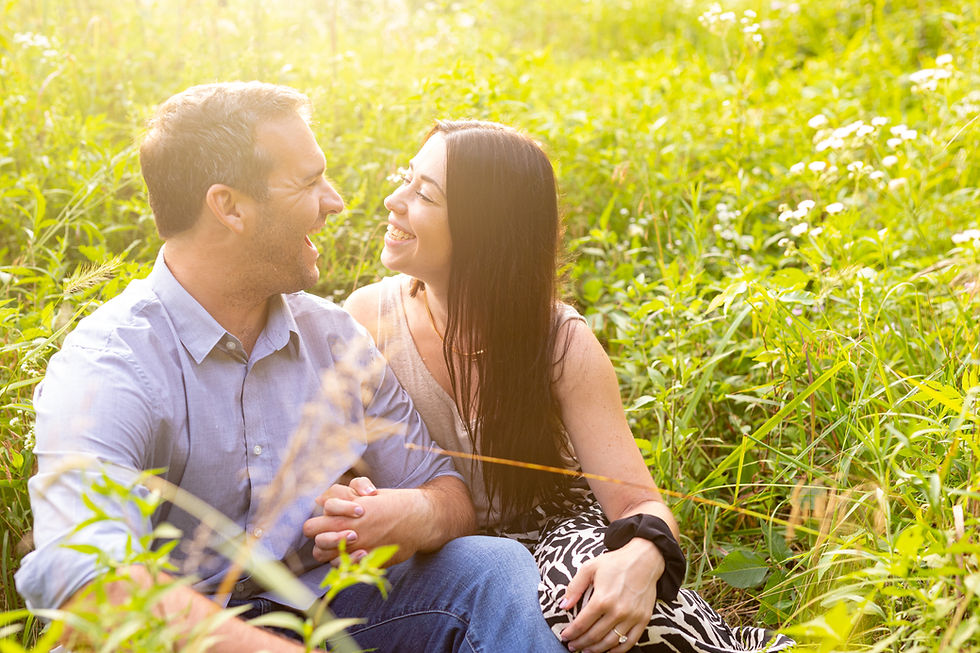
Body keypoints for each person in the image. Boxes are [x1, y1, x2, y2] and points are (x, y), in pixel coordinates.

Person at [15, 85, 569, 653]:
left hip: (326, 607)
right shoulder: (112, 365)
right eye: (308, 183)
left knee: (489, 567)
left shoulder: (333, 336)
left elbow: (447, 491)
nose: (335, 202)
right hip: (175, 637)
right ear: (229, 207)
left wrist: (411, 512)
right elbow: (87, 579)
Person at [322, 121, 797, 653]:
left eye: (424, 193)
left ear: (487, 228)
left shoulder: (558, 340)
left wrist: (641, 557)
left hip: (554, 534)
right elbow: (335, 476)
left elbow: (638, 500)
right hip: (436, 555)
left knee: (619, 612)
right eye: (406, 179)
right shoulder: (366, 319)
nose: (394, 199)